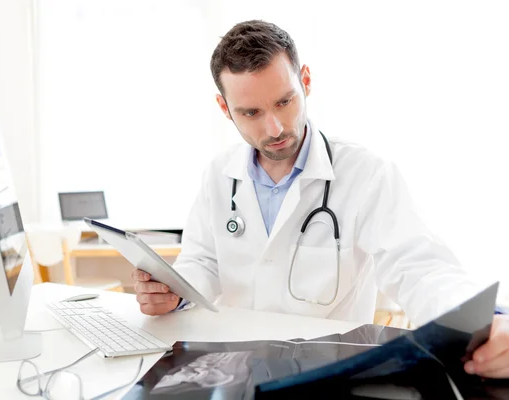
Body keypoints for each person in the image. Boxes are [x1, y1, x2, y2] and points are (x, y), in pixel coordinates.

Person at [131, 20, 509, 378]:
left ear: (305, 81)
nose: (275, 128)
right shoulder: (218, 175)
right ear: (224, 108)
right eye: (252, 112)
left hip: (326, 369)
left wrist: (485, 321)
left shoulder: (366, 172)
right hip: (235, 365)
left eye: (284, 101)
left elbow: (419, 267)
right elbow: (203, 262)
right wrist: (173, 294)